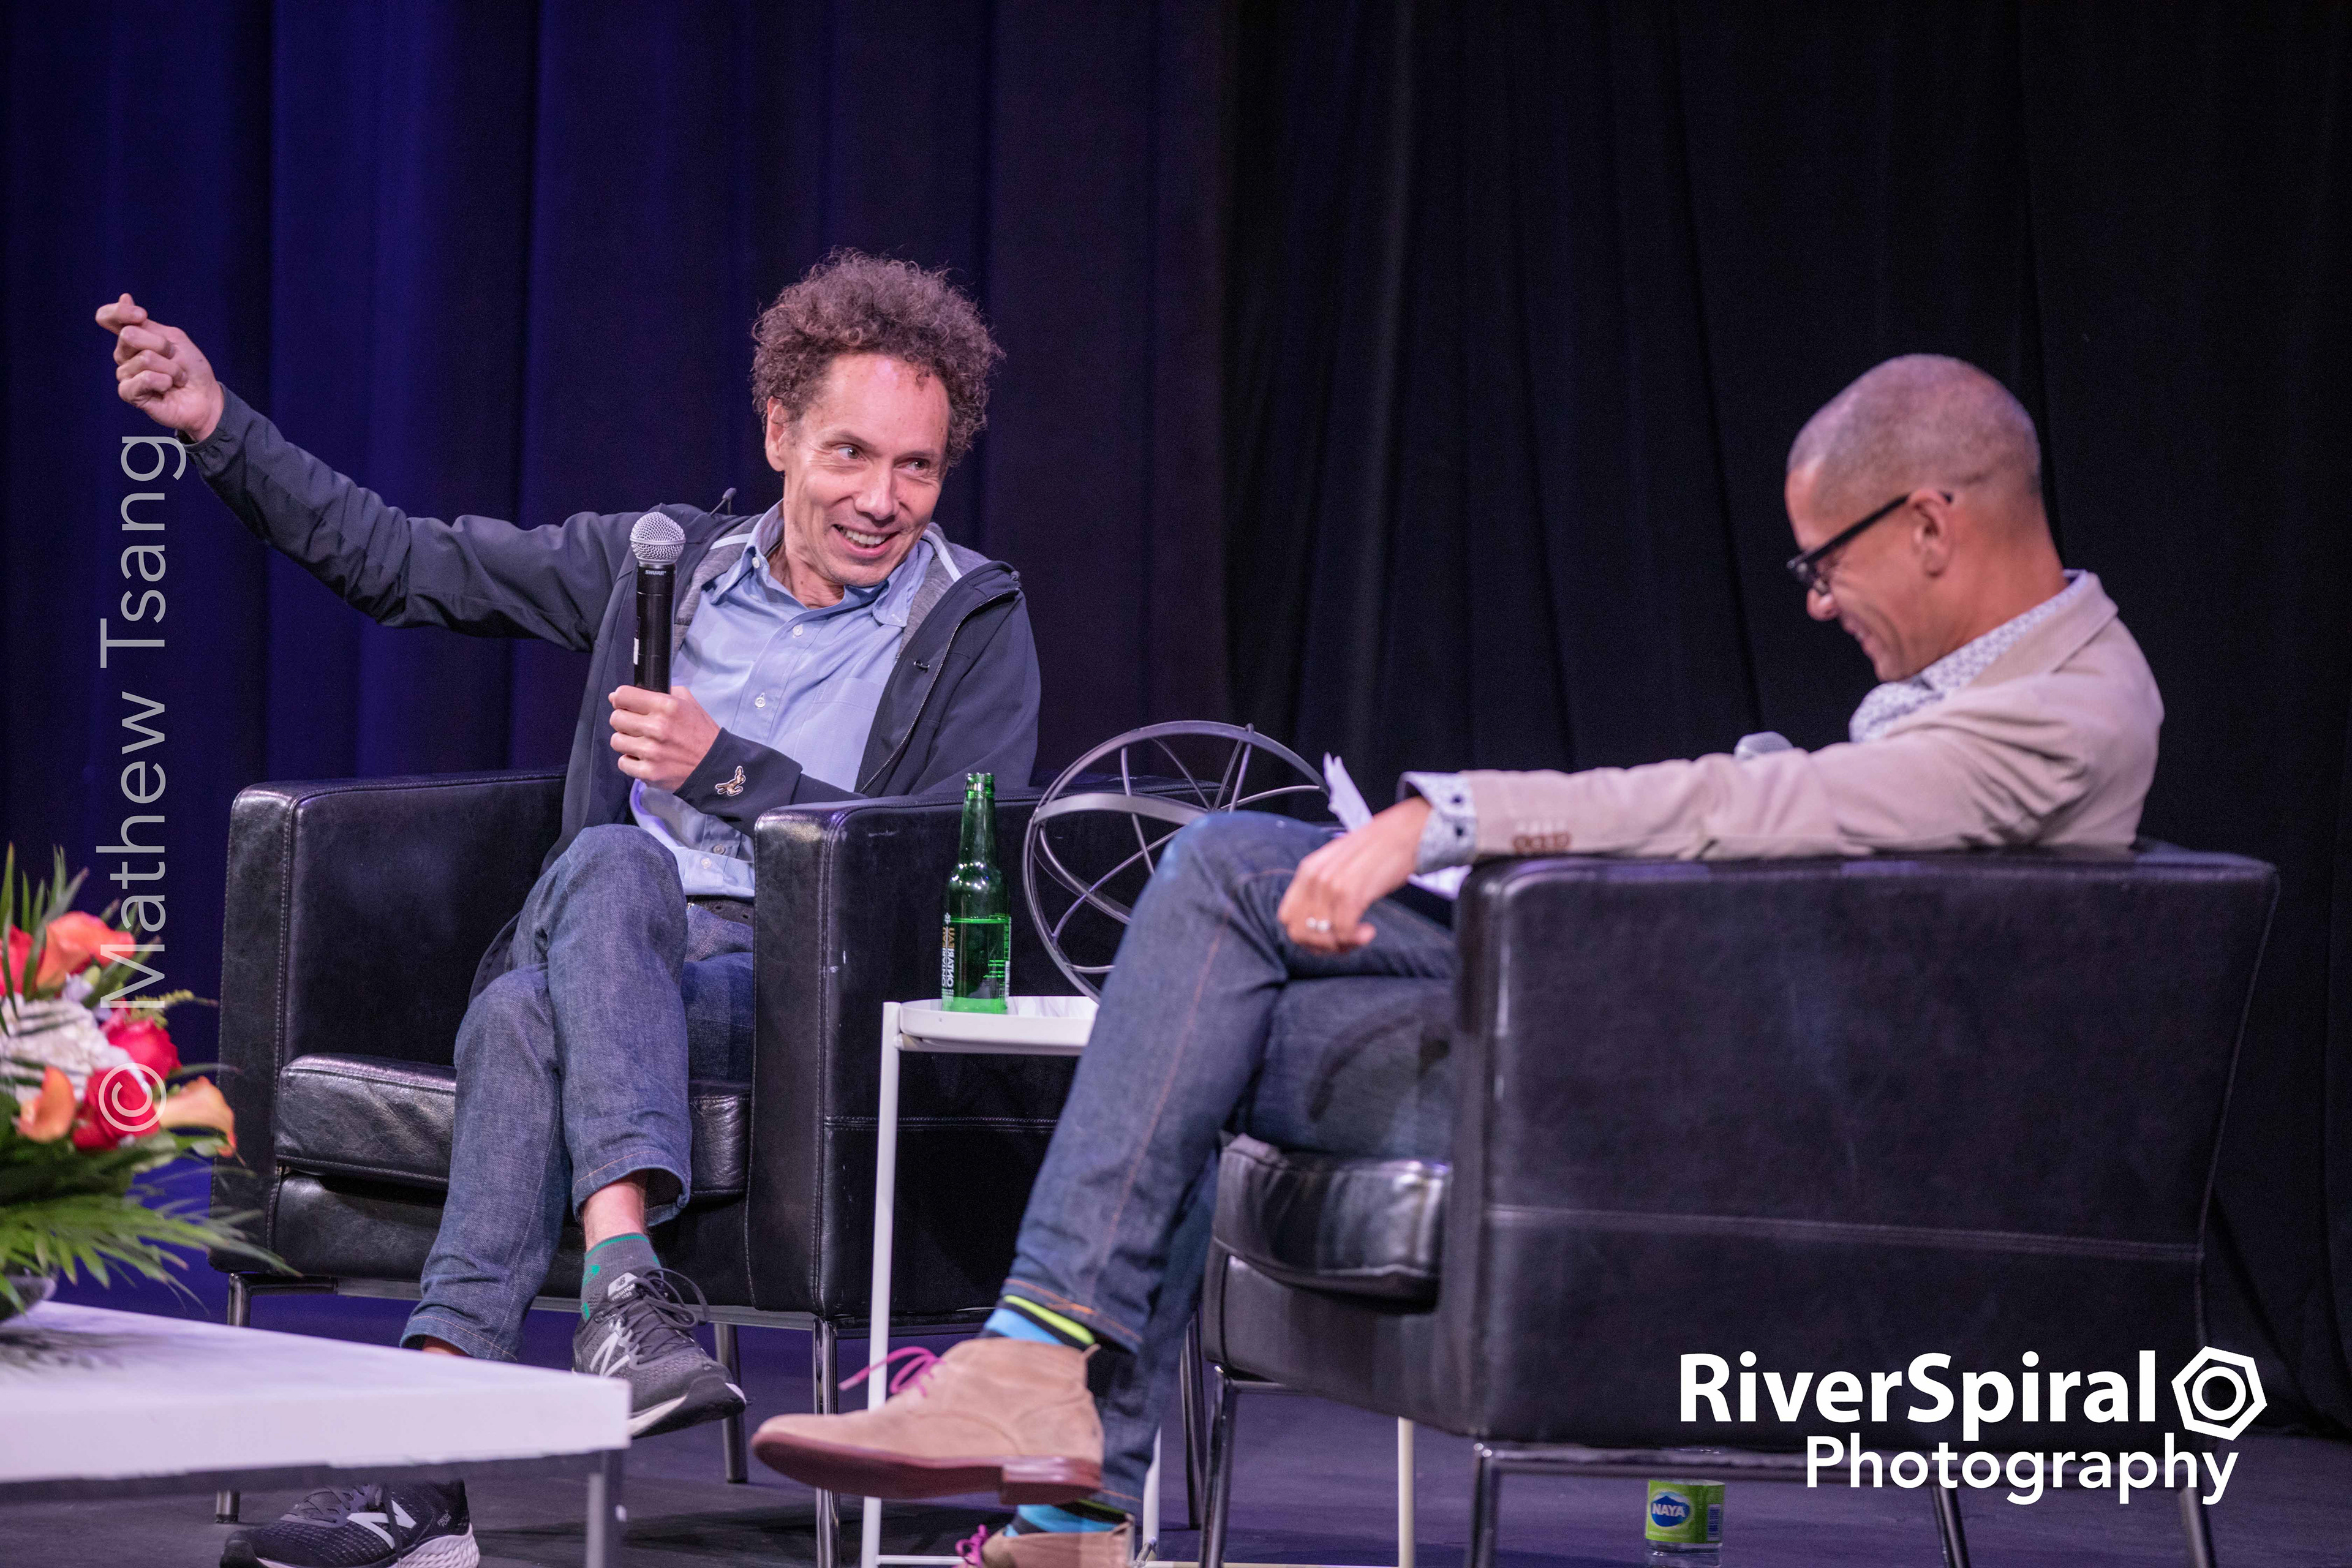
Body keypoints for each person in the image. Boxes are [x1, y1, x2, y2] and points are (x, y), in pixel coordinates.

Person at [746, 354, 2163, 1566]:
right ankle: (1057, 1449)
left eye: (1823, 561)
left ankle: (1057, 1438)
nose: (1814, 601)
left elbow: (1763, 819)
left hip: (1715, 1118)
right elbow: (1834, 825)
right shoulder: (2003, 688)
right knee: (1227, 881)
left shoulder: (2068, 716)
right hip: (1674, 1034)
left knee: (1200, 984)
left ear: (1930, 521)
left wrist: (1448, 820)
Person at [98, 250, 1042, 1568]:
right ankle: (620, 1298)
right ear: (778, 433)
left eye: (919, 468)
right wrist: (217, 424)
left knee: (558, 951)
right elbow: (402, 561)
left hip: (788, 1001)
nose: (883, 500)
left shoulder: (971, 619)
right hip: (619, 961)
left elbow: (949, 856)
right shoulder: (668, 565)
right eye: (850, 455)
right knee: (591, 908)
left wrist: (725, 766)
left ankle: (422, 1475)